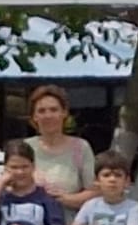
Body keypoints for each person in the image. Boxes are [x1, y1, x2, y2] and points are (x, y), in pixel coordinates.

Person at [23, 84, 98, 215]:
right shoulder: (24, 147)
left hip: (71, 223)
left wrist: (64, 199)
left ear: (64, 113)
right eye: (41, 111)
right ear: (34, 116)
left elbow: (94, 192)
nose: (48, 115)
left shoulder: (80, 147)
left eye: (54, 110)